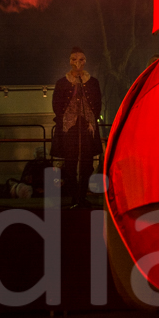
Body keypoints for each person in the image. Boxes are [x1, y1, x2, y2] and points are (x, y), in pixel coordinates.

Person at [51, 47, 103, 208]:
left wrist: (90, 119)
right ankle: (74, 197)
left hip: (87, 127)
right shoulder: (62, 82)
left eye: (81, 59)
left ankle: (82, 196)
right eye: (74, 59)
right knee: (71, 162)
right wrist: (66, 119)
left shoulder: (93, 82)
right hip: (69, 129)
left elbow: (98, 103)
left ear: (85, 61)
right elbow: (57, 104)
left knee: (87, 163)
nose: (78, 63)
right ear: (70, 61)